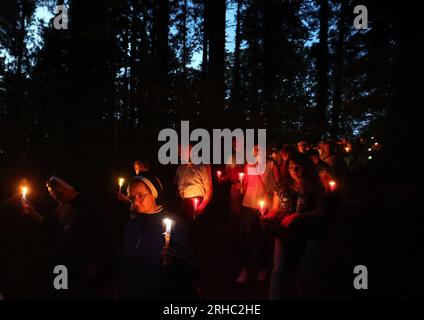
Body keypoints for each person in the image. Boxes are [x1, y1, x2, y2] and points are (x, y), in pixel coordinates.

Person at [21, 176, 114, 299]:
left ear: (65, 189)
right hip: (62, 266)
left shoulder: (90, 207)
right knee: (61, 293)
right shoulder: (62, 207)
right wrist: (33, 214)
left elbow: (103, 237)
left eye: (55, 192)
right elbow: (52, 228)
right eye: (51, 193)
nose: (54, 196)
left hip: (84, 268)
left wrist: (96, 263)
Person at [118, 176, 196, 299]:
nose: (136, 202)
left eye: (140, 195)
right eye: (132, 198)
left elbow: (189, 262)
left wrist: (174, 259)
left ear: (153, 194)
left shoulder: (174, 223)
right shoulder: (131, 226)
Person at [263, 152, 327, 299]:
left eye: (299, 168)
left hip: (309, 232)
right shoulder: (281, 186)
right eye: (291, 168)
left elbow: (321, 211)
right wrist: (266, 217)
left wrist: (299, 216)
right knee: (277, 270)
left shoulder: (315, 186)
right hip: (285, 232)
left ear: (306, 168)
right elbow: (275, 209)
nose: (295, 172)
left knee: (303, 272)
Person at [236, 145, 279, 284]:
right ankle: (245, 269)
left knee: (263, 237)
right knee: (246, 236)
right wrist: (241, 185)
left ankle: (262, 267)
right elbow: (247, 183)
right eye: (254, 150)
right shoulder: (249, 165)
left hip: (264, 205)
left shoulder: (271, 164)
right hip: (248, 204)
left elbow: (278, 184)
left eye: (258, 150)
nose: (255, 153)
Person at [174, 144, 213, 232]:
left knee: (194, 230)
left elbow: (209, 189)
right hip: (182, 203)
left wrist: (202, 206)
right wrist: (176, 203)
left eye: (182, 151)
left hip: (195, 203)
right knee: (182, 230)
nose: (180, 154)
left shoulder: (202, 165)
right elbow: (177, 187)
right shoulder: (180, 168)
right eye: (178, 152)